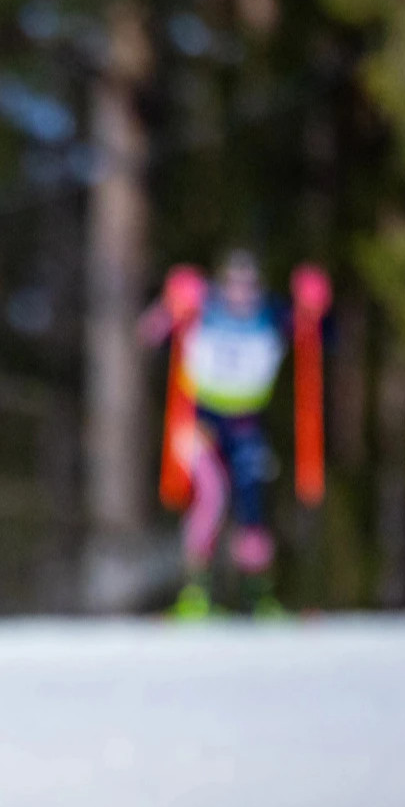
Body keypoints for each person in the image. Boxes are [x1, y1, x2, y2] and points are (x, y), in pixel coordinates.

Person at [142, 250, 301, 617]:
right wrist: (170, 305)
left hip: (247, 423)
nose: (241, 293)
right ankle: (196, 593)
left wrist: (312, 305)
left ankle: (258, 595)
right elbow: (151, 334)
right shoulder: (203, 309)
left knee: (252, 506)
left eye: (249, 285)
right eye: (234, 284)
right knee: (209, 500)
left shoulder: (271, 315)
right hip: (203, 422)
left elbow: (317, 331)